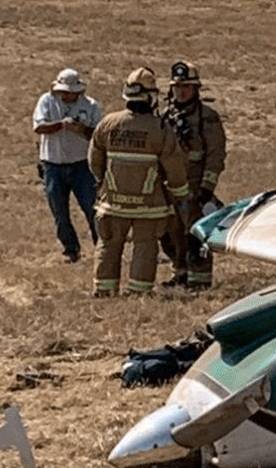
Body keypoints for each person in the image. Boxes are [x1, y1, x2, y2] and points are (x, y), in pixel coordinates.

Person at [89, 67, 189, 296]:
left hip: (113, 202)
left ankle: (103, 290)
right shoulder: (160, 129)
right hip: (148, 206)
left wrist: (104, 183)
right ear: (151, 96)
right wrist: (180, 195)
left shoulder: (108, 123)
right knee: (145, 248)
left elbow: (95, 161)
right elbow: (174, 169)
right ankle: (139, 292)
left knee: (108, 244)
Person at [161, 60, 227, 291]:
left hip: (195, 189)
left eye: (186, 87)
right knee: (171, 235)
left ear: (196, 89)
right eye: (177, 87)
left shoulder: (207, 118)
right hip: (170, 189)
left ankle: (199, 281)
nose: (181, 91)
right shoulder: (164, 117)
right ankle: (180, 275)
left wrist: (207, 188)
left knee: (195, 237)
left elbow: (216, 154)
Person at [32, 68, 104, 263]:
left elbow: (99, 135)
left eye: (69, 91)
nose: (65, 94)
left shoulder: (91, 106)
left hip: (82, 166)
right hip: (52, 164)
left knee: (93, 209)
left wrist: (81, 129)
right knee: (59, 211)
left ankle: (102, 249)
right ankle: (70, 250)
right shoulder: (47, 101)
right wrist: (61, 125)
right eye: (62, 90)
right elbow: (39, 127)